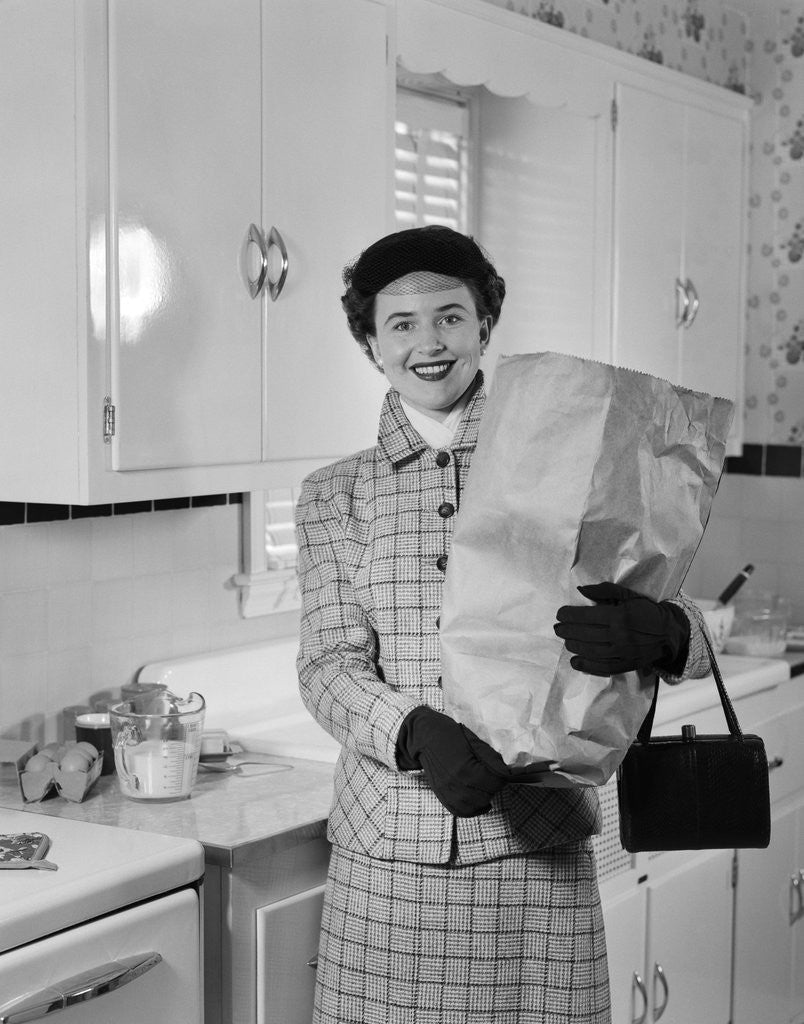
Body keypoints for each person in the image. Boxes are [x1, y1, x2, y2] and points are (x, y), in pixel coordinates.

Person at [294, 225, 712, 1024]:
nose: (429, 342)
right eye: (401, 323)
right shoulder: (334, 495)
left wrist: (666, 632)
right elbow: (326, 667)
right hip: (393, 867)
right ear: (370, 342)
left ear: (486, 324)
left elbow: (683, 609)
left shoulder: (574, 453)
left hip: (540, 852)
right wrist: (413, 729)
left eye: (450, 315)